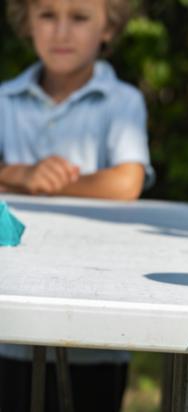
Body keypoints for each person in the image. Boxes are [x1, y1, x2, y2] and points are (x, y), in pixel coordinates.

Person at [0, 0, 153, 410]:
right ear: (27, 23)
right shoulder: (4, 99)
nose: (61, 31)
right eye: (47, 15)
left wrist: (48, 184)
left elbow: (126, 182)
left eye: (80, 17)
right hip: (9, 320)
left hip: (96, 323)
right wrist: (19, 175)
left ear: (108, 27)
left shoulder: (122, 100)